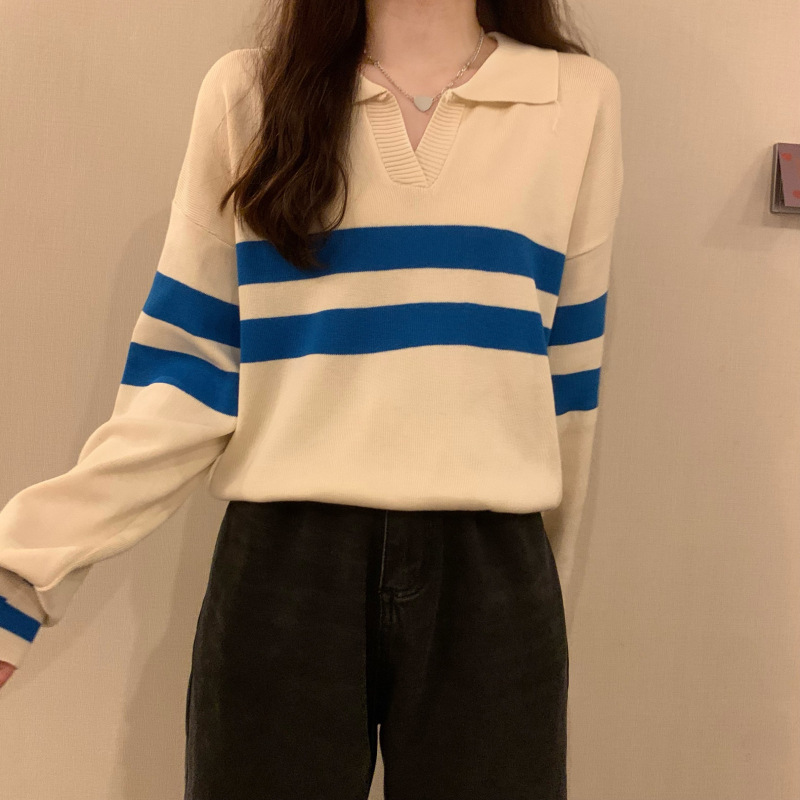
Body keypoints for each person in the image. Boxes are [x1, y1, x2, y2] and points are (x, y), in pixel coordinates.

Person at [0, 0, 623, 797]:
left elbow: (567, 389)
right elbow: (187, 375)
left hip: (492, 573)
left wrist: (540, 601)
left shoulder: (575, 98)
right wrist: (22, 576)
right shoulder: (251, 93)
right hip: (285, 569)